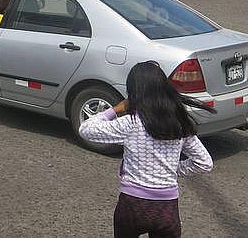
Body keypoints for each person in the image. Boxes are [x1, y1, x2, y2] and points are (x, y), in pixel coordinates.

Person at [79, 61, 213, 238]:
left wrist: (116, 109)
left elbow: (86, 129)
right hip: (167, 208)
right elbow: (204, 163)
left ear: (134, 92)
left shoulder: (131, 123)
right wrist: (175, 169)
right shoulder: (179, 123)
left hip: (132, 205)